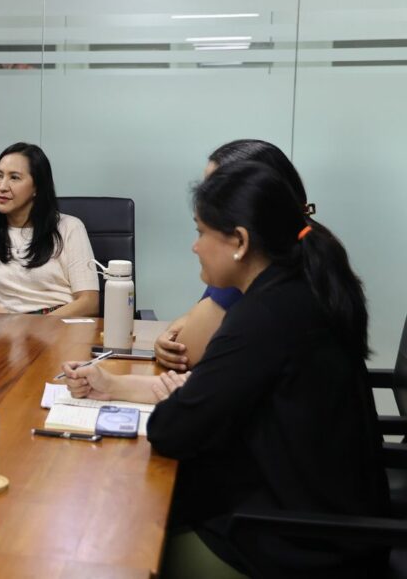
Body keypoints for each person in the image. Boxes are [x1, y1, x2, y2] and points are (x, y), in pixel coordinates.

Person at [151, 161, 387, 577]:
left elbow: (170, 430)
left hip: (299, 544)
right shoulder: (300, 288)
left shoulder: (263, 316)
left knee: (135, 545)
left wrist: (183, 400)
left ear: (240, 242)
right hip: (326, 520)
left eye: (201, 232)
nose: (195, 247)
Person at [63, 140, 312, 404]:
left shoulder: (270, 289)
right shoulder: (280, 262)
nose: (195, 246)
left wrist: (175, 394)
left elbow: (190, 355)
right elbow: (208, 367)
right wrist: (115, 384)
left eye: (215, 187)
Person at [154, 139, 311, 372]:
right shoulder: (287, 250)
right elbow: (189, 321)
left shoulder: (260, 270)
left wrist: (171, 340)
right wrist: (170, 336)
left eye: (216, 187)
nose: (205, 199)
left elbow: (186, 350)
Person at [0, 142, 99, 316]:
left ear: (37, 187)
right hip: (6, 326)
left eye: (14, 178)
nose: (2, 187)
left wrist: (35, 325)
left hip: (60, 323)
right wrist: (8, 320)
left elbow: (89, 302)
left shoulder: (71, 228)